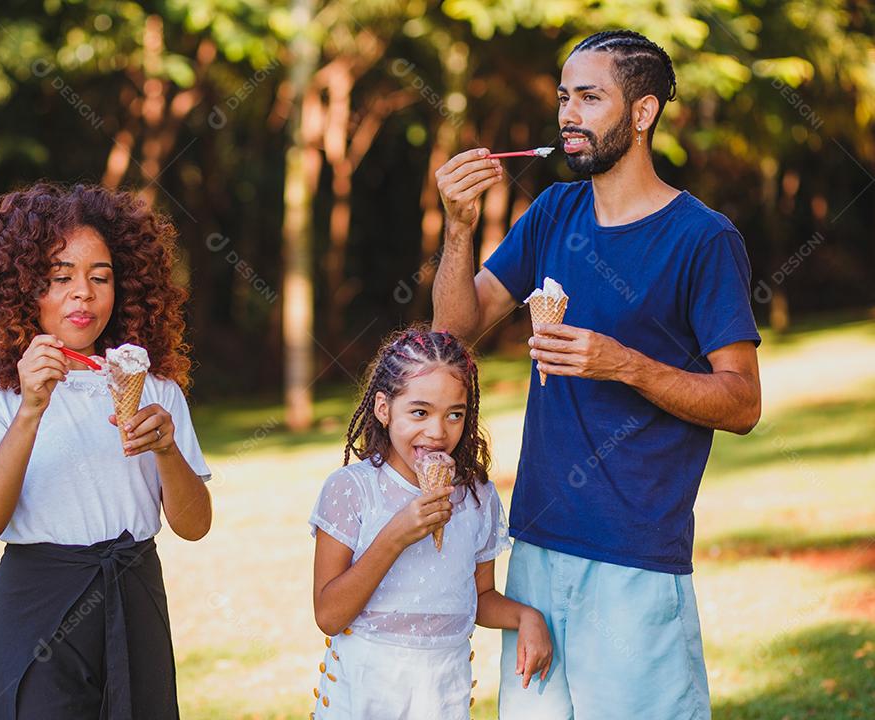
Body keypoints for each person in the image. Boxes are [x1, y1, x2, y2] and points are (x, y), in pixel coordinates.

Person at [433, 29, 762, 720]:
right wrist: (458, 227)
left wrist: (625, 365)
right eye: (563, 98)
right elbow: (455, 331)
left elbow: (741, 402)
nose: (567, 116)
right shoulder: (553, 212)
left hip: (635, 556)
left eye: (589, 97)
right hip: (538, 544)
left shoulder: (704, 239)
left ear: (642, 114)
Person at [0, 182, 212, 719]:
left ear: (125, 286)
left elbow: (195, 524)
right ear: (20, 287)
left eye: (100, 278)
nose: (83, 293)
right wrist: (31, 410)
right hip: (36, 607)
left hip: (134, 596)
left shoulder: (154, 388)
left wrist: (167, 451)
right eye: (59, 277)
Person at [308, 327, 553, 719]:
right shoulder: (352, 490)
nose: (438, 432)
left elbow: (479, 598)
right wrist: (395, 537)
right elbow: (329, 615)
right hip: (365, 689)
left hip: (442, 691)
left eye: (454, 414)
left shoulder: (477, 497)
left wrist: (527, 616)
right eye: (419, 412)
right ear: (383, 408)